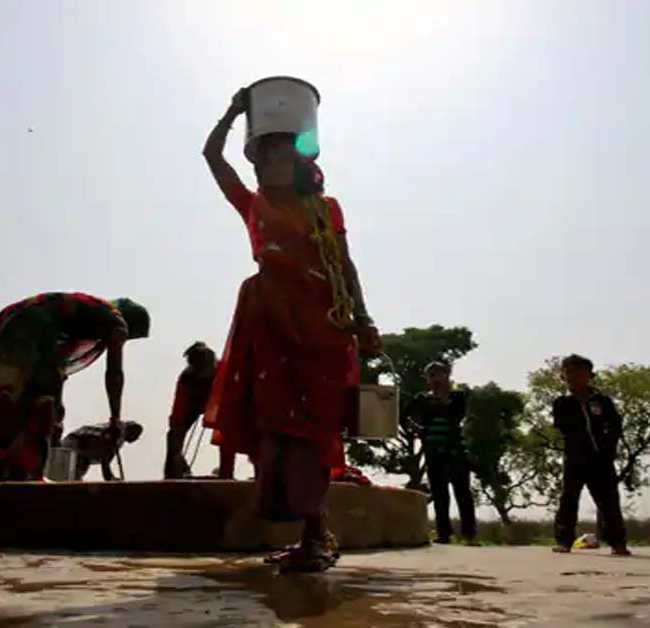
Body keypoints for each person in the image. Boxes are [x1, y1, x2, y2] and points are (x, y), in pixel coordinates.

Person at [202, 87, 380, 572]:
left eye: (276, 155)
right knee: (274, 425)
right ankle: (312, 536)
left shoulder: (326, 209)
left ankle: (316, 537)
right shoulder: (252, 205)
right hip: (270, 324)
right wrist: (233, 111)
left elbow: (344, 265)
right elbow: (212, 156)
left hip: (322, 328)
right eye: (260, 157)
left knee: (315, 429)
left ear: (296, 163)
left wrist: (363, 319)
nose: (265, 165)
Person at [0, 292, 149, 482]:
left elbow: (54, 370)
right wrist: (115, 418)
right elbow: (114, 374)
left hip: (12, 323)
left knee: (11, 395)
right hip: (37, 330)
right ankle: (31, 471)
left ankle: (0, 468)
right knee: (42, 405)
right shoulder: (118, 323)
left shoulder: (84, 313)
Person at [551, 354, 630, 556]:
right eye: (569, 373)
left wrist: (608, 449)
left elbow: (615, 426)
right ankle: (564, 540)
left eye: (579, 373)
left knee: (608, 501)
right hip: (575, 459)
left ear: (590, 376)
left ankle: (617, 542)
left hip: (601, 459)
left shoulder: (602, 401)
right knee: (568, 499)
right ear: (563, 377)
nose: (573, 377)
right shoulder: (562, 403)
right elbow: (563, 427)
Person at [407, 361, 476, 544]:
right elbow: (418, 420)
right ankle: (444, 533)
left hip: (455, 450)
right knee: (439, 493)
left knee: (462, 492)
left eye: (439, 374)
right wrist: (416, 428)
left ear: (447, 375)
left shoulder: (458, 396)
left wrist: (443, 400)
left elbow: (457, 416)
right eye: (431, 375)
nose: (436, 378)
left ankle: (469, 534)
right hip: (432, 450)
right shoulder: (422, 399)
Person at [164, 342, 219, 479]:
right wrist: (176, 453)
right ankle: (173, 472)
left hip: (219, 402)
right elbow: (179, 409)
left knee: (227, 433)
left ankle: (227, 470)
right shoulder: (187, 379)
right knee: (173, 435)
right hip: (193, 404)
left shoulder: (223, 372)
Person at [63, 421, 144, 481]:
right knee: (72, 472)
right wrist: (110, 477)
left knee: (76, 473)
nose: (137, 438)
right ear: (131, 430)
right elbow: (105, 457)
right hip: (77, 444)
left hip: (82, 449)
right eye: (137, 434)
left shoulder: (118, 434)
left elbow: (106, 457)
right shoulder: (117, 432)